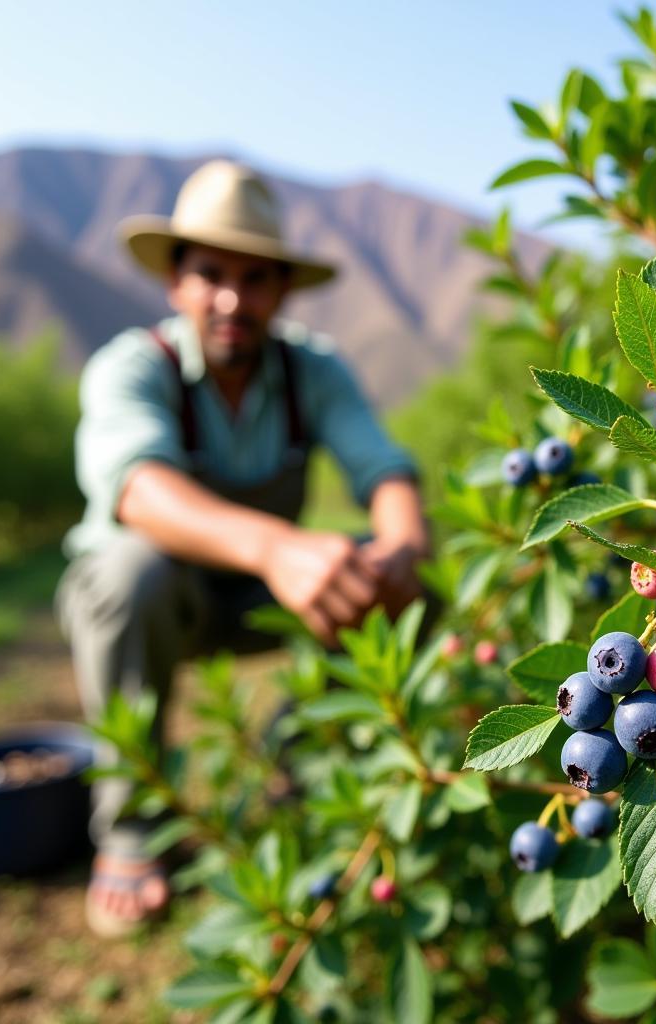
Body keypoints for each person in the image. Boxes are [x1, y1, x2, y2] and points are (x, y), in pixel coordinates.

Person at [54, 160, 430, 937]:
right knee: (130, 570)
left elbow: (383, 469)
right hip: (164, 601)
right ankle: (129, 831)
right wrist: (275, 547)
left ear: (282, 291)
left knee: (377, 570)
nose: (233, 298)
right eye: (211, 274)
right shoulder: (134, 368)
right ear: (176, 284)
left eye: (255, 279)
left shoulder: (312, 371)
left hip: (263, 602)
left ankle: (309, 770)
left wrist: (405, 545)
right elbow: (138, 489)